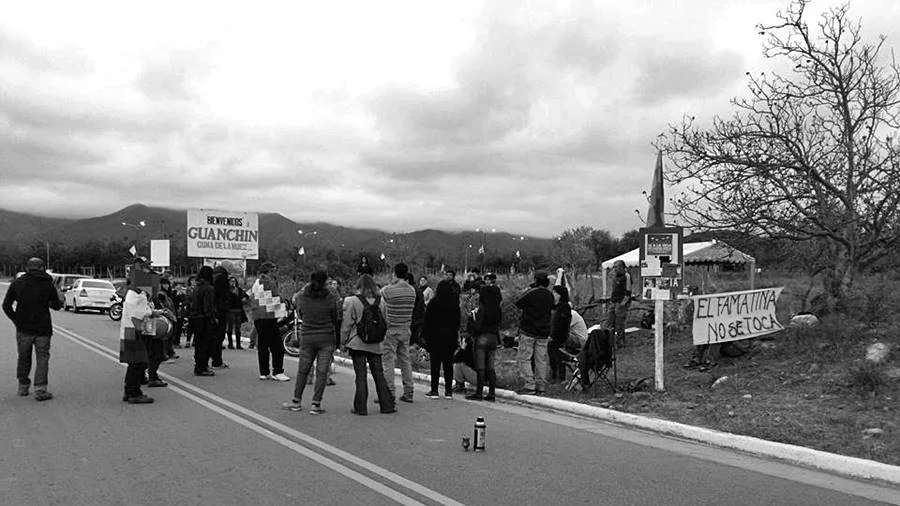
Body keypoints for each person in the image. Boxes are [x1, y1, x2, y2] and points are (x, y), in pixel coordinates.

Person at [2, 257, 62, 401]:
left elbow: (6, 305)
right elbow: (56, 305)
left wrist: (16, 320)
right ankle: (40, 389)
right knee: (42, 358)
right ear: (42, 268)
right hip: (43, 328)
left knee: (23, 357)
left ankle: (23, 386)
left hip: (23, 328)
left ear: (27, 268)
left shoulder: (18, 283)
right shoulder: (48, 284)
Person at [282, 270, 339, 415]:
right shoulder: (331, 297)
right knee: (322, 372)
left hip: (307, 336)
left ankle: (296, 401)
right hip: (326, 337)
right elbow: (335, 317)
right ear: (326, 281)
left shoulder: (302, 296)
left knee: (303, 370)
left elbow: (300, 314)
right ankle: (316, 404)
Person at [340, 274, 396, 415]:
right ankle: (387, 405)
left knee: (361, 375)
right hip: (376, 344)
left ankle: (360, 407)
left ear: (359, 286)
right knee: (379, 374)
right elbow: (387, 322)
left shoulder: (351, 301)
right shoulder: (381, 302)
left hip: (357, 342)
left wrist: (342, 342)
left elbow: (346, 324)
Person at [119, 267, 167, 404]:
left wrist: (152, 312)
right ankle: (133, 393)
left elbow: (142, 310)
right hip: (135, 329)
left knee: (136, 363)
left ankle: (130, 391)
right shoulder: (136, 294)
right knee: (138, 362)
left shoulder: (136, 293)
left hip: (132, 328)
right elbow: (137, 314)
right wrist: (152, 314)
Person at [380, 263, 417, 403]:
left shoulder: (388, 290)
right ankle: (409, 391)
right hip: (406, 329)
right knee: (405, 360)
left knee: (388, 361)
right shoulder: (412, 291)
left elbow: (379, 300)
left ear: (395, 273)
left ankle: (389, 393)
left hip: (391, 330)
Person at [515, 271, 554, 395]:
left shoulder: (531, 293)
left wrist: (529, 289)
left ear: (536, 280)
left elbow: (518, 303)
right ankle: (540, 386)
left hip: (528, 330)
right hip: (543, 332)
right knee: (541, 360)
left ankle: (529, 384)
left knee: (524, 358)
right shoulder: (550, 295)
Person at [251, 261, 290, 381]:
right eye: (274, 270)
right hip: (268, 316)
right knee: (277, 345)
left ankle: (264, 372)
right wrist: (285, 305)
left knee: (263, 345)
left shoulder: (256, 283)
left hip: (258, 316)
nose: (276, 273)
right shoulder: (267, 281)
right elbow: (275, 297)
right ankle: (278, 371)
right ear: (269, 271)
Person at [423, 280, 461, 399]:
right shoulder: (454, 305)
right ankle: (448, 391)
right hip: (450, 338)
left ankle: (434, 390)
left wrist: (425, 337)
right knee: (448, 365)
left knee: (435, 364)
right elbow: (457, 323)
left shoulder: (433, 303)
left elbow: (427, 322)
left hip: (435, 338)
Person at [467, 273, 502, 401]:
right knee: (491, 367)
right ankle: (491, 394)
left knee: (481, 367)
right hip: (494, 337)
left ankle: (479, 392)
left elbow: (477, 326)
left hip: (482, 337)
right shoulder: (497, 310)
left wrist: (472, 319)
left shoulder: (482, 309)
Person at [190, 266, 217, 376]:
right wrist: (212, 317)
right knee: (206, 344)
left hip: (195, 318)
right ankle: (203, 367)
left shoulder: (197, 287)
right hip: (204, 319)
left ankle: (198, 366)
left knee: (198, 344)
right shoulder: (208, 288)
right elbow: (208, 306)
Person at [548, 285, 573, 383]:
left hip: (559, 335)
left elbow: (562, 323)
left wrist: (553, 335)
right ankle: (553, 375)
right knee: (551, 356)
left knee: (559, 356)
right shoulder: (554, 306)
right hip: (551, 334)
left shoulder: (564, 307)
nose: (553, 295)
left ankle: (561, 377)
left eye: (555, 293)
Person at [607, 259, 632, 346]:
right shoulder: (615, 276)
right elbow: (609, 276)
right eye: (614, 267)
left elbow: (628, 292)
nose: (615, 269)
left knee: (619, 323)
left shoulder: (626, 276)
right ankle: (610, 341)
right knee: (610, 322)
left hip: (621, 302)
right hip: (613, 301)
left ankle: (620, 342)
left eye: (616, 267)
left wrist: (623, 303)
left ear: (622, 267)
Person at [210, 266, 230, 368]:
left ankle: (215, 359)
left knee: (216, 337)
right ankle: (216, 361)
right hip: (220, 313)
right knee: (218, 337)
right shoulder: (222, 285)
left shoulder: (212, 285)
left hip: (217, 313)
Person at [226, 276, 248, 350]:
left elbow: (245, 296)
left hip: (238, 310)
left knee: (238, 328)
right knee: (230, 327)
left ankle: (238, 344)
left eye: (234, 281)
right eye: (231, 281)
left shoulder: (239, 290)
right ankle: (230, 343)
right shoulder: (227, 290)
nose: (233, 282)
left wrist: (244, 298)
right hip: (230, 310)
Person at [405, 273, 426, 347]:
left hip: (414, 318)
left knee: (414, 338)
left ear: (407, 280)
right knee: (415, 337)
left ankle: (427, 349)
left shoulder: (412, 290)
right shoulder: (417, 289)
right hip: (418, 317)